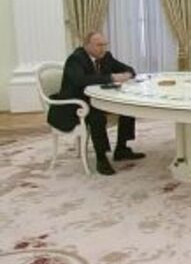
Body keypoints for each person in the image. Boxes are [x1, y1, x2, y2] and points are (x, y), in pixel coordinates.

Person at [47, 31, 145, 176]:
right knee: (96, 115)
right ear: (87, 45)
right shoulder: (76, 59)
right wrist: (111, 77)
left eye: (104, 45)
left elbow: (129, 69)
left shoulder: (106, 57)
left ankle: (121, 149)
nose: (103, 48)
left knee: (127, 106)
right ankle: (101, 158)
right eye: (99, 45)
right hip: (74, 105)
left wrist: (127, 74)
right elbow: (81, 80)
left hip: (96, 99)